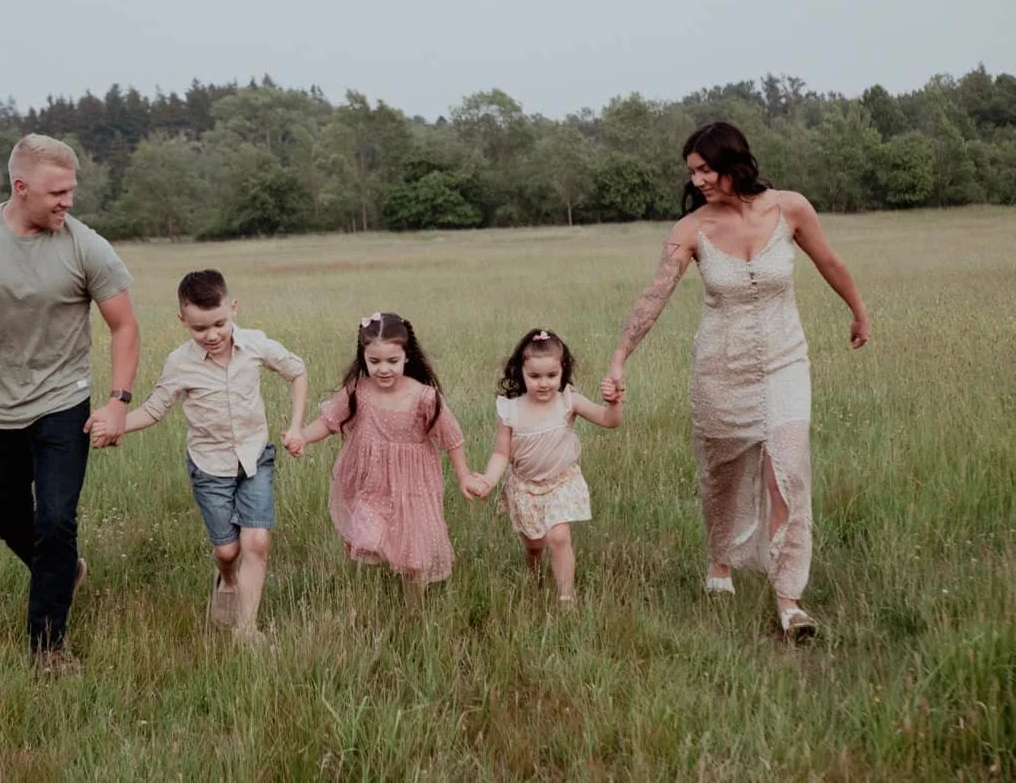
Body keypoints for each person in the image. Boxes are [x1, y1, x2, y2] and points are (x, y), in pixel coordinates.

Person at [604, 121, 870, 639]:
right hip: (720, 370)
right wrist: (619, 357)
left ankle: (789, 601)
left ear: (734, 162)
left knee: (788, 473)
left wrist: (858, 311)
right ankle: (720, 560)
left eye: (706, 169)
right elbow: (654, 295)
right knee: (722, 477)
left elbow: (830, 261)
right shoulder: (692, 229)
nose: (698, 180)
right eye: (693, 172)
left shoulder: (790, 208)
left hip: (785, 363)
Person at [0, 134, 140, 674]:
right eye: (57, 192)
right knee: (7, 516)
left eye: (71, 191)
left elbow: (125, 326)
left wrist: (118, 401)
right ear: (21, 187)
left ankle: (48, 647)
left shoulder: (85, 246)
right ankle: (64, 571)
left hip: (63, 399)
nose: (68, 202)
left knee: (56, 519)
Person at [99, 270, 307, 643]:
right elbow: (155, 409)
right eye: (200, 328)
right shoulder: (180, 363)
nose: (212, 335)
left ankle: (247, 631)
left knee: (257, 542)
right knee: (227, 550)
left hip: (255, 458)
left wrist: (295, 427)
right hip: (210, 468)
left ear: (233, 308)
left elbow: (297, 371)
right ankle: (226, 579)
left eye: (219, 324)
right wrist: (116, 426)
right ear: (183, 320)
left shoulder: (255, 344)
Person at [286, 312, 473, 602]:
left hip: (412, 484)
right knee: (370, 534)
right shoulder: (358, 390)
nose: (383, 369)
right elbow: (329, 422)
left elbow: (452, 439)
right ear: (363, 358)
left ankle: (413, 609)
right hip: (372, 483)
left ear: (406, 356)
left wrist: (464, 477)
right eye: (374, 361)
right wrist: (302, 437)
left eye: (392, 361)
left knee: (412, 553)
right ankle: (391, 562)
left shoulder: (424, 397)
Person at [466, 329, 623, 606]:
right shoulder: (510, 409)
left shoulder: (568, 401)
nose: (544, 383)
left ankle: (566, 599)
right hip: (525, 487)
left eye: (551, 375)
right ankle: (535, 575)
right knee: (534, 545)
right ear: (521, 372)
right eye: (535, 376)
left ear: (563, 371)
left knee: (558, 537)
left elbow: (609, 421)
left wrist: (613, 403)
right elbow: (501, 454)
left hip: (561, 482)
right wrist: (488, 480)